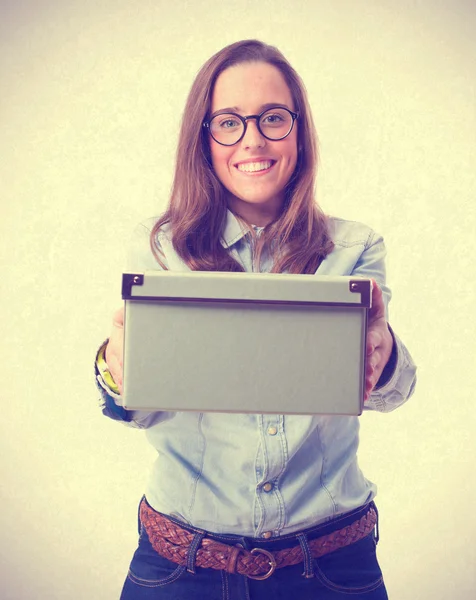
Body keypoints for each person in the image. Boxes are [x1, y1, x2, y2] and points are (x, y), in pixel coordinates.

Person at [94, 39, 417, 600]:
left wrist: (383, 355)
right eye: (228, 122)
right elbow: (138, 410)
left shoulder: (355, 247)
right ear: (203, 137)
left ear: (298, 130)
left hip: (334, 568)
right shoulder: (160, 249)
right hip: (179, 569)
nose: (253, 140)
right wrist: (113, 368)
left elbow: (388, 392)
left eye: (273, 118)